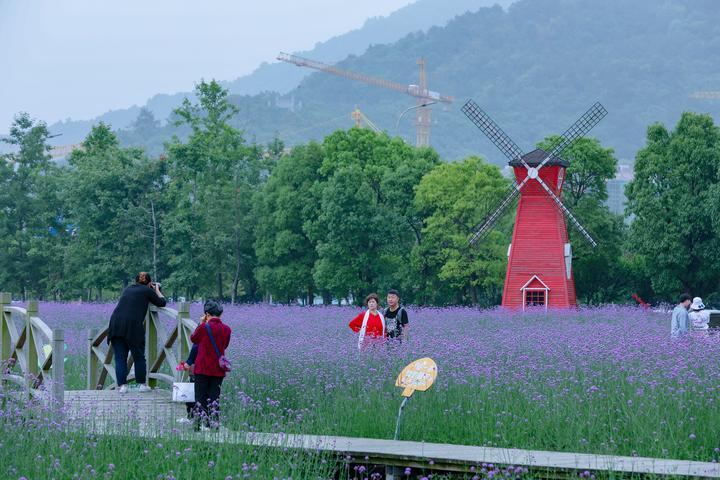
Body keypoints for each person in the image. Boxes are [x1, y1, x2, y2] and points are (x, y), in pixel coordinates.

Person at [108, 271, 166, 393]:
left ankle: (122, 386)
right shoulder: (148, 291)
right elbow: (162, 303)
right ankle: (142, 385)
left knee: (120, 358)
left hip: (115, 324)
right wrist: (157, 290)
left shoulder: (128, 289)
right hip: (133, 327)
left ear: (135, 281)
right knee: (138, 356)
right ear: (149, 283)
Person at [190, 300, 231, 430]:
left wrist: (201, 323)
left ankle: (197, 425)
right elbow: (225, 345)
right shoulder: (227, 329)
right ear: (221, 314)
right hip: (218, 370)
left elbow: (194, 339)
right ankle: (214, 425)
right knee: (214, 398)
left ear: (207, 314)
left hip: (202, 368)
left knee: (200, 397)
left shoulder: (203, 327)